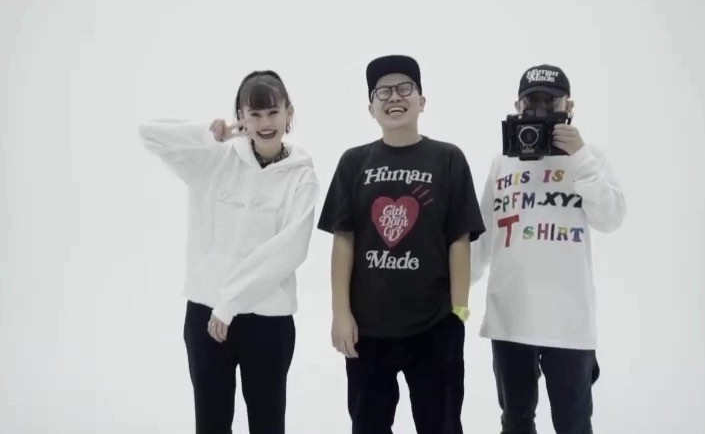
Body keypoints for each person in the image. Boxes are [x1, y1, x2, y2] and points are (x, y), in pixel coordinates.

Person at [138, 70, 319, 434]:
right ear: (240, 117)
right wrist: (209, 134)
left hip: (267, 322)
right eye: (255, 114)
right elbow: (149, 132)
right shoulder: (214, 159)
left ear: (289, 113)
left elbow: (288, 250)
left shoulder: (302, 176)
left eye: (273, 112)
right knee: (211, 424)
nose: (265, 123)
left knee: (267, 425)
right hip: (206, 318)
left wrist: (231, 302)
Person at [317, 54, 485, 434]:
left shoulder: (448, 158)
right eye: (383, 91)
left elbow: (459, 238)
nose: (394, 97)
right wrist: (341, 313)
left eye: (405, 88)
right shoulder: (354, 162)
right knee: (368, 425)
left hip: (435, 325)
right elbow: (343, 239)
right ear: (371, 108)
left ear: (421, 101)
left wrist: (459, 311)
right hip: (367, 328)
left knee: (441, 424)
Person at [470, 64, 627, 434]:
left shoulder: (589, 157)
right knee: (515, 421)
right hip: (510, 317)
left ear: (568, 106)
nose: (540, 109)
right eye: (532, 101)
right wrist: (453, 295)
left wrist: (580, 157)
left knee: (573, 423)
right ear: (517, 105)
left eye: (550, 101)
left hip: (568, 321)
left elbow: (611, 218)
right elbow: (482, 236)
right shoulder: (502, 162)